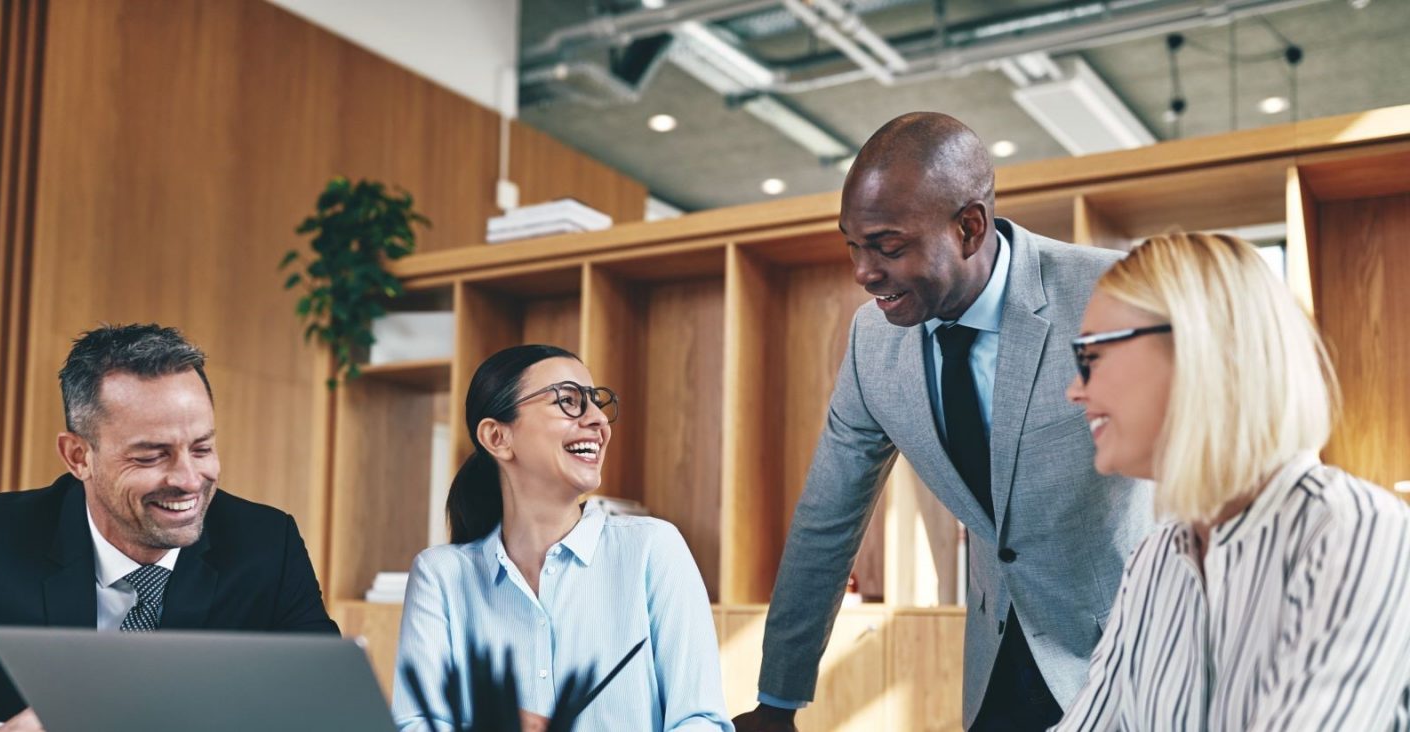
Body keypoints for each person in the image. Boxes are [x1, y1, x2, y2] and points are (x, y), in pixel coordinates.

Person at [734, 112, 1154, 732]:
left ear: (968, 227)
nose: (863, 272)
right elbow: (827, 521)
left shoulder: (1113, 291)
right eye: (853, 244)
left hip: (1129, 658)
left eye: (888, 245)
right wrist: (778, 701)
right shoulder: (872, 342)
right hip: (996, 667)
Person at [0, 323, 339, 732]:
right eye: (151, 455)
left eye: (203, 448)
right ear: (78, 456)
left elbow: (331, 709)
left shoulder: (267, 544)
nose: (190, 479)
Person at [1055, 231, 1410, 729]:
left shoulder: (1356, 531)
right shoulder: (1153, 561)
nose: (1074, 389)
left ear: (1200, 346)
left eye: (1090, 356)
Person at [392, 344, 732, 731]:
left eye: (597, 403)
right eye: (568, 401)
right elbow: (416, 725)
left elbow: (701, 722)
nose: (598, 421)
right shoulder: (441, 576)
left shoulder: (653, 549)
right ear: (497, 437)